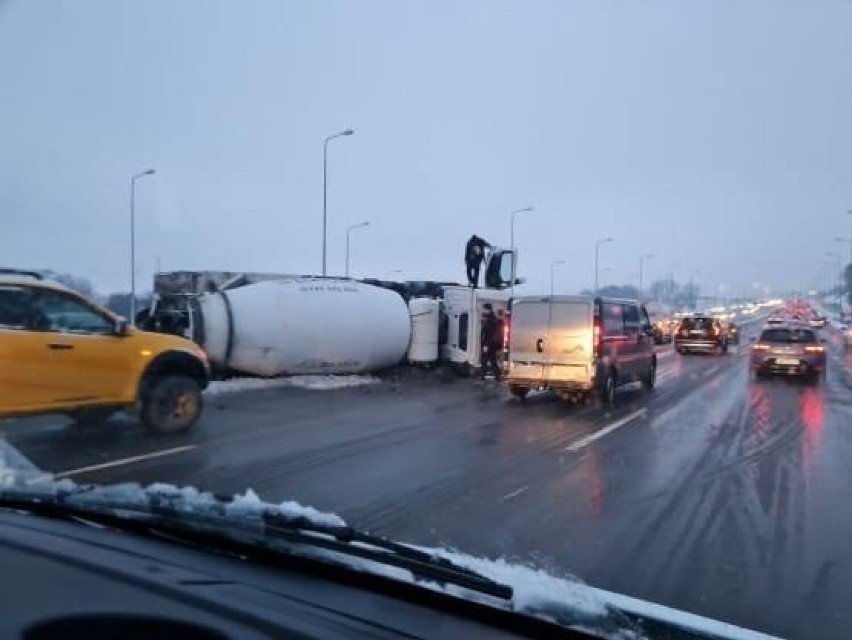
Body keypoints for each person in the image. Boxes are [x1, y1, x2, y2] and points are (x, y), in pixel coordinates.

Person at [480, 303, 501, 380]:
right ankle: (497, 375)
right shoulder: (491, 318)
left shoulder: (490, 320)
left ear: (488, 309)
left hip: (488, 344)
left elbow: (488, 333)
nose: (483, 310)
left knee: (485, 360)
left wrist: (486, 345)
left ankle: (483, 375)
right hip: (491, 344)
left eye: (485, 309)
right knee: (492, 360)